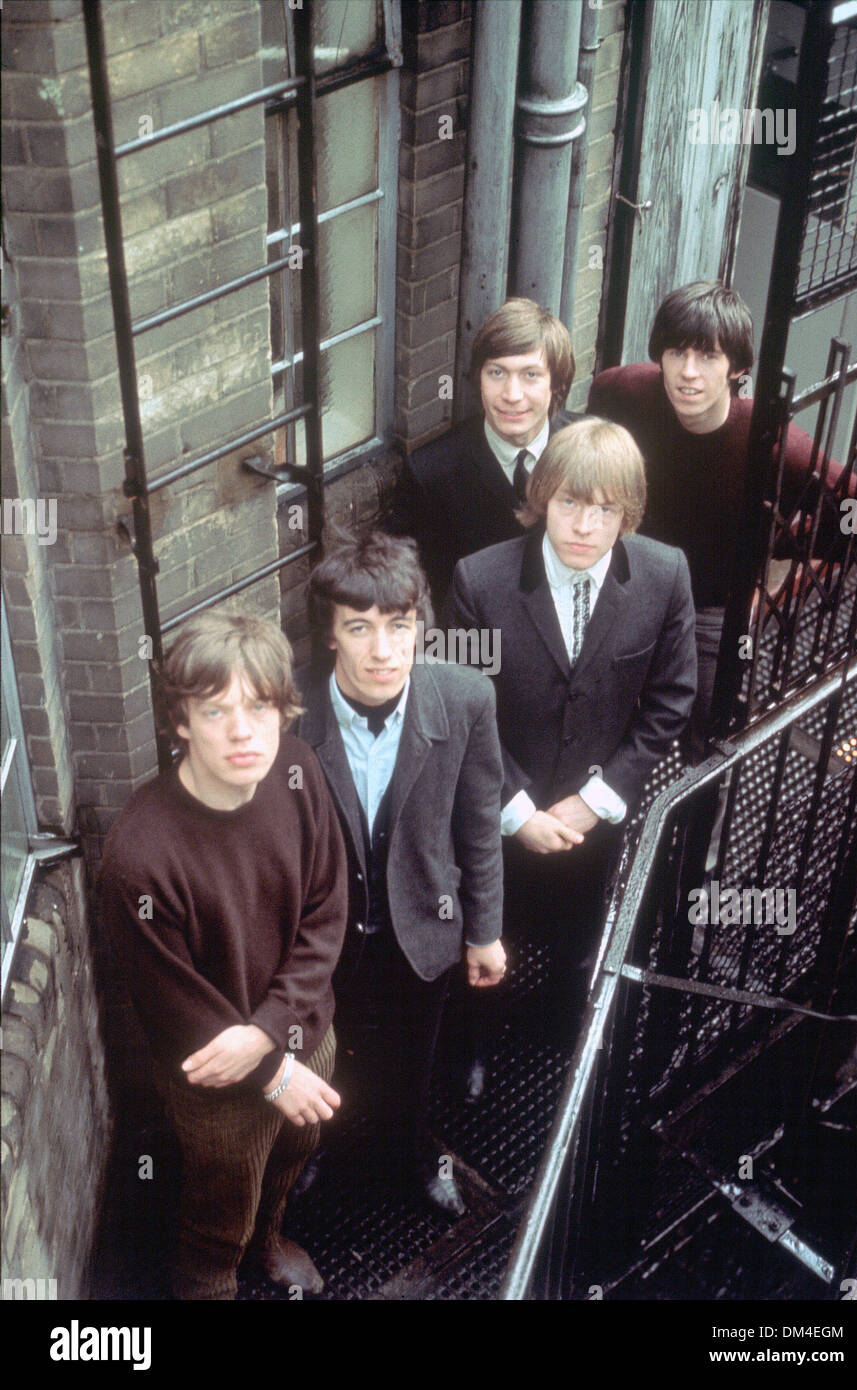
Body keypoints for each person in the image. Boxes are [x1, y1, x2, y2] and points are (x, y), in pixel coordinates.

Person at [99, 612, 348, 1299]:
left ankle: (268, 1244)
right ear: (180, 721)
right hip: (216, 1079)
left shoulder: (297, 771)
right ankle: (213, 1282)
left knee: (295, 1150)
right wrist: (270, 1070)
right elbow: (175, 1008)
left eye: (260, 706)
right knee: (218, 1214)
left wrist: (274, 1034)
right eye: (216, 711)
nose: (244, 730)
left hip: (304, 1031)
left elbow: (327, 912)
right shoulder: (140, 856)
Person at [444, 418, 697, 1044]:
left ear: (628, 512)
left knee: (579, 933)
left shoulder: (665, 575)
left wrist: (596, 801)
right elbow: (455, 709)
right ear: (543, 499)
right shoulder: (478, 580)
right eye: (570, 504)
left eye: (606, 510)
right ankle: (474, 1045)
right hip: (498, 814)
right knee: (486, 932)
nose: (585, 526)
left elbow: (671, 698)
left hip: (594, 820)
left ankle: (560, 1030)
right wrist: (515, 808)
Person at [297, 529, 506, 1217]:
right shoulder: (292, 713)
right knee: (329, 1057)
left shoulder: (466, 697)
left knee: (414, 1061)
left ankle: (417, 1155)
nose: (383, 650)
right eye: (359, 628)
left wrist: (485, 932)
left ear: (421, 623)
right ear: (330, 634)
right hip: (323, 937)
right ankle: (314, 1155)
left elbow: (478, 824)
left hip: (423, 924)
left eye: (400, 624)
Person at [586, 280, 857, 756]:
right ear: (660, 355)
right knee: (594, 720)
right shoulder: (622, 392)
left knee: (715, 743)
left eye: (708, 357)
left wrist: (779, 548)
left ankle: (696, 828)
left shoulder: (771, 442)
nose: (688, 373)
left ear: (737, 368)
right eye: (677, 352)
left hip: (711, 610)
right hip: (625, 585)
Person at [387, 297, 580, 612]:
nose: (511, 395)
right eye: (497, 373)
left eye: (530, 375)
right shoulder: (431, 472)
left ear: (556, 383)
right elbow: (413, 591)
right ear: (478, 378)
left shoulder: (588, 449)